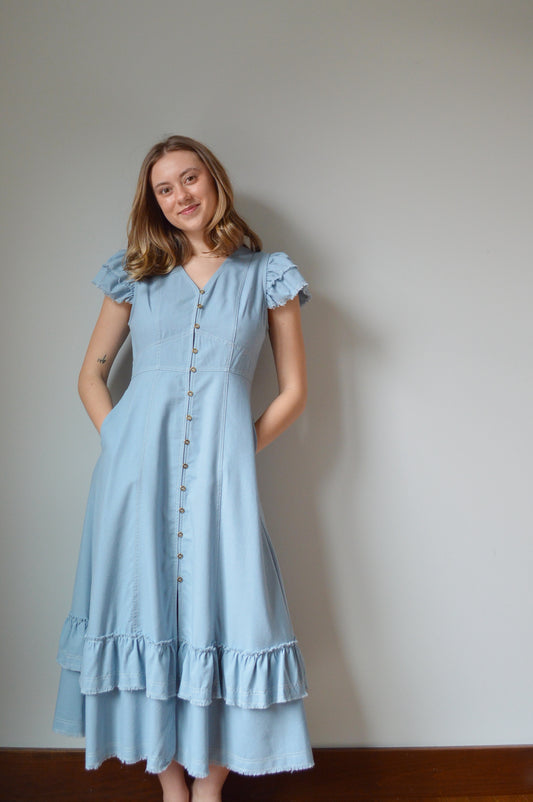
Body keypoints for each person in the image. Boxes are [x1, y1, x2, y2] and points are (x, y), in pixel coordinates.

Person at [52, 135, 314, 802]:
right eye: (164, 189)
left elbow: (291, 392)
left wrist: (233, 455)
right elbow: (91, 376)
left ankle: (211, 785)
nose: (179, 196)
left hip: (222, 485)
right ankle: (172, 786)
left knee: (231, 615)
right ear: (154, 202)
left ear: (213, 180)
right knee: (142, 613)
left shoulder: (267, 275)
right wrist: (123, 447)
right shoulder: (133, 273)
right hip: (130, 485)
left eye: (188, 178)